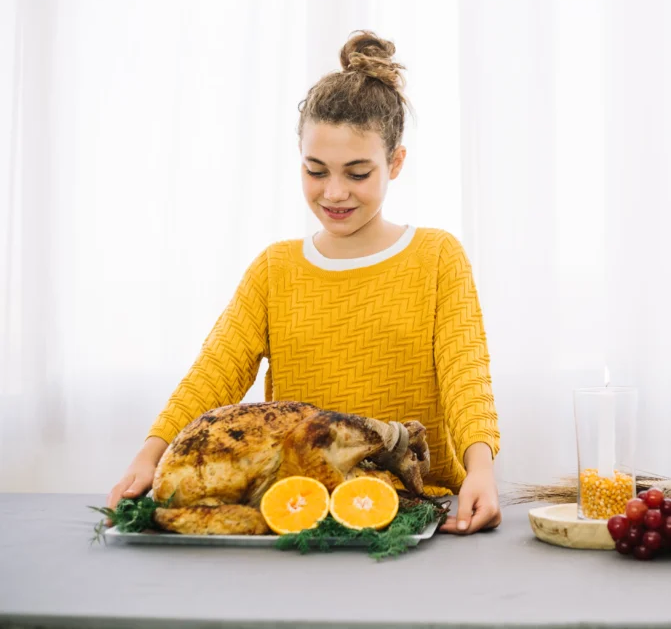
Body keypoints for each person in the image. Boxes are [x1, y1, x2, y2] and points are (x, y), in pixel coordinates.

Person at [105, 31, 501, 535]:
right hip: (302, 512)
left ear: (395, 163)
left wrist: (482, 468)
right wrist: (151, 453)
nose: (334, 192)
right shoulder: (275, 268)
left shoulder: (437, 256)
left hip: (414, 509)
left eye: (357, 173)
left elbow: (466, 376)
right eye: (316, 171)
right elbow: (214, 373)